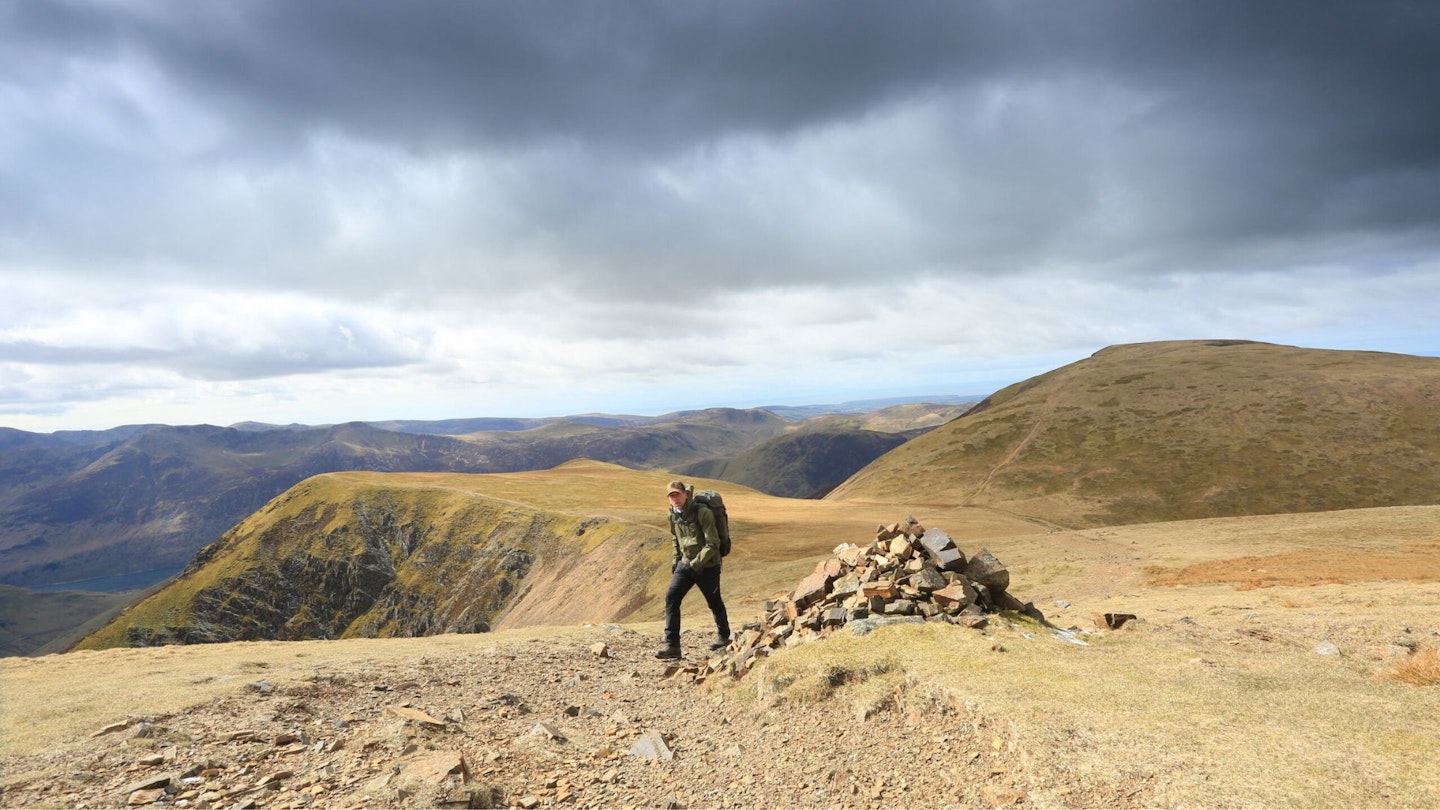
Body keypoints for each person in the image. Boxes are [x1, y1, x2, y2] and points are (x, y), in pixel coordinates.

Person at [654, 480, 731, 659]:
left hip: (708, 565)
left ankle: (724, 637)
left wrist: (695, 564)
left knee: (714, 601)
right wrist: (676, 561)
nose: (675, 499)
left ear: (686, 494)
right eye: (671, 496)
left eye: (678, 494)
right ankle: (672, 647)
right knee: (672, 598)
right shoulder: (672, 515)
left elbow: (713, 543)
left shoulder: (703, 513)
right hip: (685, 564)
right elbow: (676, 539)